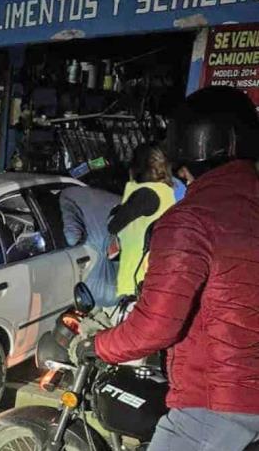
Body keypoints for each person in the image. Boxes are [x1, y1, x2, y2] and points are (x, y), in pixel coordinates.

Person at [73, 87, 259, 451]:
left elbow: (156, 326)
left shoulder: (191, 219)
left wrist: (97, 345)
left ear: (185, 156)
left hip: (214, 405)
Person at [108, 143, 175, 297]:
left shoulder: (145, 195)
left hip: (136, 280)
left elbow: (113, 225)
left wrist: (130, 185)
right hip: (153, 276)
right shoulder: (165, 192)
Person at [59, 172, 121, 307]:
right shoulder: (121, 198)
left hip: (101, 285)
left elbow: (72, 238)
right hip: (126, 279)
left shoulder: (67, 196)